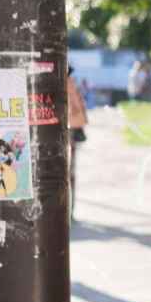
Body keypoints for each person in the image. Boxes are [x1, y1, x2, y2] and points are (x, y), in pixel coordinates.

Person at [67, 66, 88, 221]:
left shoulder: (67, 84)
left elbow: (76, 110)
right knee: (69, 175)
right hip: (71, 131)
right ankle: (69, 211)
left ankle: (68, 211)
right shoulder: (71, 83)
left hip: (67, 132)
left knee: (67, 175)